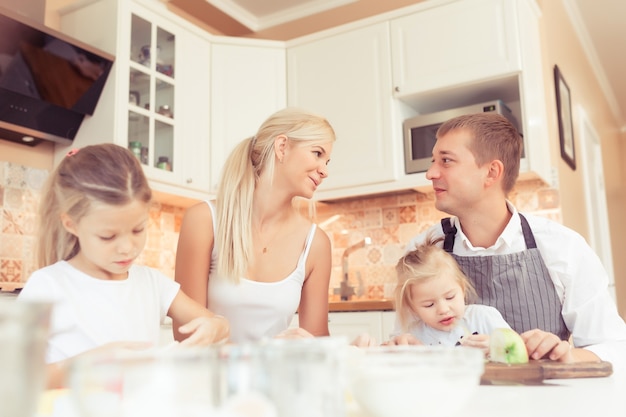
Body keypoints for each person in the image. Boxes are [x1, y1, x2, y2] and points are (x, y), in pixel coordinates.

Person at [402, 112, 626, 368]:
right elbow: (405, 338)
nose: (430, 173)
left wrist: (567, 356)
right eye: (434, 161)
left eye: (446, 161)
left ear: (491, 172)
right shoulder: (424, 250)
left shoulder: (563, 247)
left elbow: (616, 347)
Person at [18, 144, 229, 388]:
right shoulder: (49, 286)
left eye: (138, 229)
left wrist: (216, 327)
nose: (127, 247)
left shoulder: (152, 283)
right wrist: (92, 364)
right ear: (71, 224)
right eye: (108, 236)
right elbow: (16, 377)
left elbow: (219, 325)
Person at [174, 107, 336, 342]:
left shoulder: (316, 243)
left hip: (276, 377)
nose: (325, 171)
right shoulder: (204, 220)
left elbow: (316, 339)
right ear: (282, 147)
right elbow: (185, 333)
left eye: (327, 160)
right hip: (211, 376)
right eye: (317, 153)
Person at [388, 236, 511, 355]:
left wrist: (496, 346)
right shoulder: (413, 336)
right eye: (429, 305)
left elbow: (517, 349)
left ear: (462, 289)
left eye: (450, 297)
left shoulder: (483, 317)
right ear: (412, 308)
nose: (443, 310)